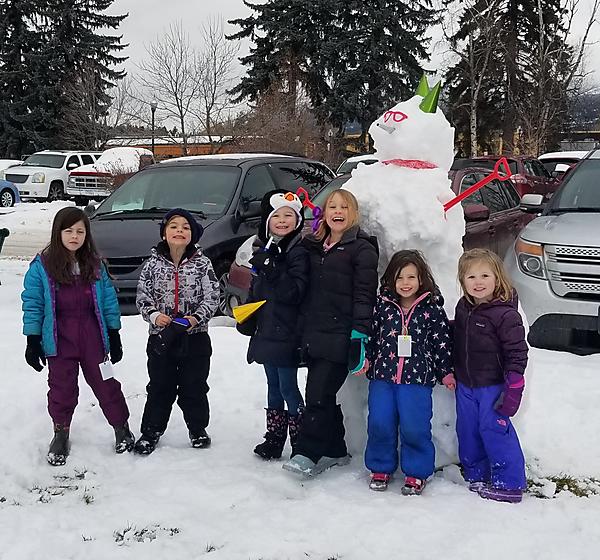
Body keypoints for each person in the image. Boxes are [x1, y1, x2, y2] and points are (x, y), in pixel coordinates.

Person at [22, 207, 132, 466]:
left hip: (92, 335)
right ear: (58, 232)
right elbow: (33, 304)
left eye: (80, 231)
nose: (74, 236)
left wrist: (114, 333)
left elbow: (108, 301)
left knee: (106, 383)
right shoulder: (42, 266)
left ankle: (121, 427)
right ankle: (61, 432)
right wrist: (32, 339)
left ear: (87, 234)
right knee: (61, 387)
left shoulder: (94, 264)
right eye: (69, 230)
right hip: (59, 337)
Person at [282, 189, 378, 476]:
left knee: (318, 394)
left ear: (354, 213)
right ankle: (336, 449)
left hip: (340, 333)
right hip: (313, 332)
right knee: (322, 392)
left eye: (344, 207)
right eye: (332, 206)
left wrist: (360, 335)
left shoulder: (362, 249)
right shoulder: (313, 245)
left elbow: (365, 295)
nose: (337, 211)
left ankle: (306, 452)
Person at [364, 250, 454, 494]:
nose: (405, 283)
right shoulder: (382, 306)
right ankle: (380, 466)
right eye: (400, 277)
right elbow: (372, 337)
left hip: (416, 380)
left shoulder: (431, 309)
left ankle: (416, 472)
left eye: (411, 277)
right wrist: (367, 359)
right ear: (391, 280)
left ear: (421, 279)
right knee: (380, 423)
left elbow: (442, 343)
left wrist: (445, 371)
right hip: (383, 376)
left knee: (415, 427)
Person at [134, 208, 219, 455]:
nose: (179, 230)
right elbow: (142, 296)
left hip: (195, 337)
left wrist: (196, 317)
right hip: (162, 338)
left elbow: (213, 296)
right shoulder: (152, 265)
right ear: (164, 233)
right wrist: (153, 315)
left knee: (194, 386)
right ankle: (151, 431)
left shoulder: (203, 264)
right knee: (160, 386)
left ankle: (197, 428)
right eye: (174, 226)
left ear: (192, 235)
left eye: (185, 227)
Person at [451, 248, 528, 503]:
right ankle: (477, 474)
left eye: (485, 275)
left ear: (497, 278)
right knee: (468, 430)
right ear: (462, 281)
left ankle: (509, 483)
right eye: (471, 277)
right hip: (466, 383)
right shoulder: (464, 307)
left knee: (495, 429)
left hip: (493, 386)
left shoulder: (506, 315)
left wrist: (514, 385)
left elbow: (517, 352)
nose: (478, 282)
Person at [238, 190, 309, 460]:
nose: (282, 220)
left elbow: (295, 292)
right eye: (276, 215)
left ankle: (301, 441)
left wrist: (273, 269)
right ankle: (275, 437)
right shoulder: (264, 248)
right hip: (267, 329)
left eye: (288, 215)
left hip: (289, 331)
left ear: (298, 220)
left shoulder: (298, 251)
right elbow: (257, 288)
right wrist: (248, 316)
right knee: (272, 386)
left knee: (289, 386)